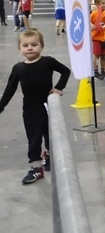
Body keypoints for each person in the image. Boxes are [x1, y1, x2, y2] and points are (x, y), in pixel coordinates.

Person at [0, 29, 70, 185]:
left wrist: (58, 87)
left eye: (34, 44)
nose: (30, 48)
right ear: (19, 48)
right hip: (30, 109)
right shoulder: (18, 68)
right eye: (25, 45)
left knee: (49, 134)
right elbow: (10, 89)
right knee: (34, 137)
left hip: (48, 106)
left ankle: (49, 156)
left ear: (42, 46)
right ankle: (36, 168)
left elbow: (65, 72)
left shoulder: (48, 62)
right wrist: (1, 105)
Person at [90, 0, 105, 79]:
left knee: (103, 55)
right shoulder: (94, 14)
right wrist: (92, 26)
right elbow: (89, 22)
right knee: (97, 55)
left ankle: (103, 70)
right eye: (103, 3)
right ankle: (95, 71)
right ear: (97, 4)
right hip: (96, 38)